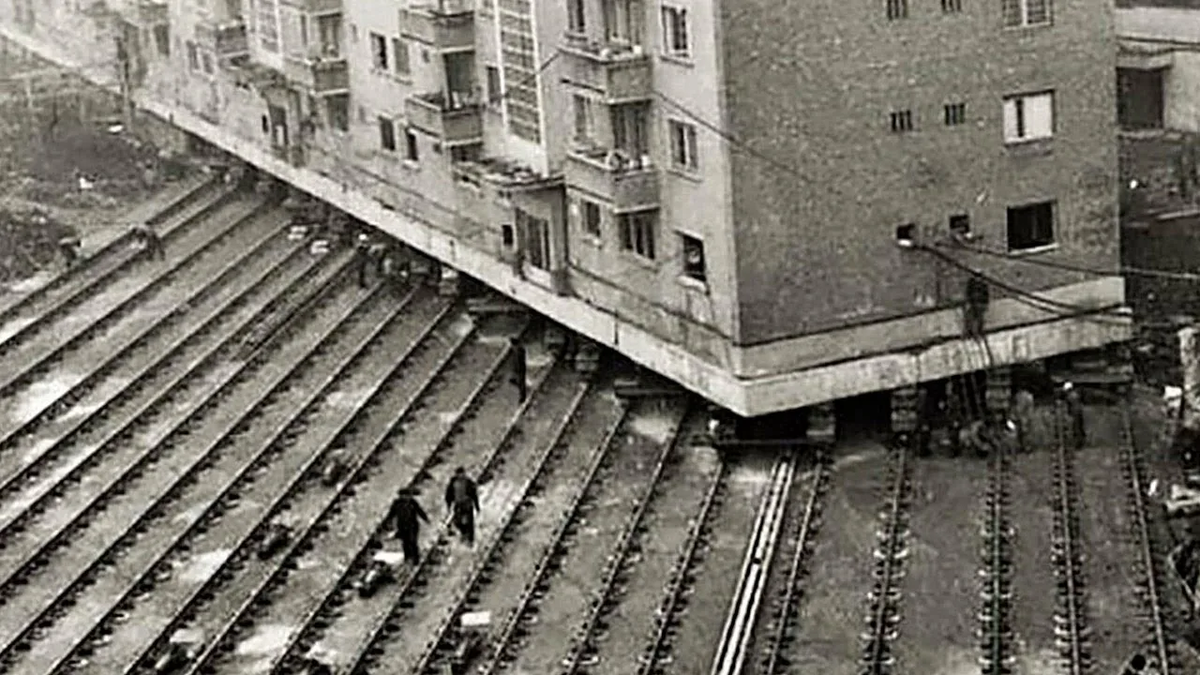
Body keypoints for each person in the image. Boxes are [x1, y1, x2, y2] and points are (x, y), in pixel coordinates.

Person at [387, 487, 429, 564]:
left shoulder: (412, 502)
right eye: (404, 495)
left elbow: (420, 511)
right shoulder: (397, 503)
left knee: (412, 541)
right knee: (405, 542)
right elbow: (391, 513)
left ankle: (416, 559)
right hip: (402, 525)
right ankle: (407, 557)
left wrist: (426, 519)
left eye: (407, 495)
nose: (406, 497)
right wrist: (389, 522)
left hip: (412, 525)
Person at [445, 467, 480, 546]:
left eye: (462, 474)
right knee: (457, 521)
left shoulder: (468, 482)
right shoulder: (453, 483)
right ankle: (464, 533)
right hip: (458, 504)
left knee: (470, 522)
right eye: (460, 474)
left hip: (467, 503)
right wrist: (449, 505)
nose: (461, 476)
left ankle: (470, 539)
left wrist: (477, 506)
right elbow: (448, 494)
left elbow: (474, 494)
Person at [1064, 382, 1085, 450]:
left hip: (1075, 412)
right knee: (1080, 427)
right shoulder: (1076, 394)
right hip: (1080, 411)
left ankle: (1078, 444)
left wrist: (1069, 414)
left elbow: (1069, 407)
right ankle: (1082, 441)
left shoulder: (1069, 396)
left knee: (1076, 428)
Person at [510, 337, 527, 403]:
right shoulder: (520, 350)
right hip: (519, 368)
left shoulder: (518, 350)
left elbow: (517, 361)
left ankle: (523, 397)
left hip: (519, 368)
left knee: (521, 382)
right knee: (521, 381)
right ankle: (522, 396)